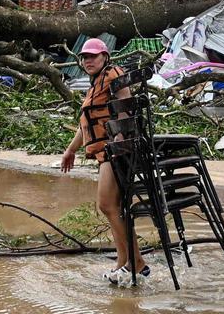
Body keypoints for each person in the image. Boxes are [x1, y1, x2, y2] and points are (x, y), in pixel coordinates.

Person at [60, 38, 148, 285]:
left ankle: (137, 263)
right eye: (85, 57)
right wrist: (70, 151)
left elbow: (125, 105)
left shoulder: (113, 74)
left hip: (117, 150)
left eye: (93, 56)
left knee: (107, 205)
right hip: (105, 152)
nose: (88, 60)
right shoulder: (93, 86)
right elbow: (85, 124)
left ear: (105, 57)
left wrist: (119, 138)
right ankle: (125, 263)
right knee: (114, 208)